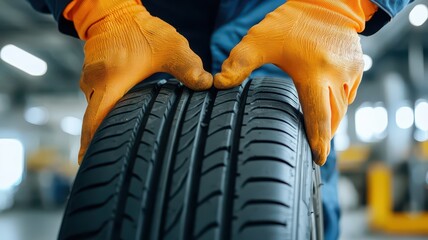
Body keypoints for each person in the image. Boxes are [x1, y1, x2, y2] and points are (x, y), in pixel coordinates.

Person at [26, 0, 412, 239]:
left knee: (291, 174)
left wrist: (339, 6)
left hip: (289, 37)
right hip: (144, 39)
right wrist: (99, 9)